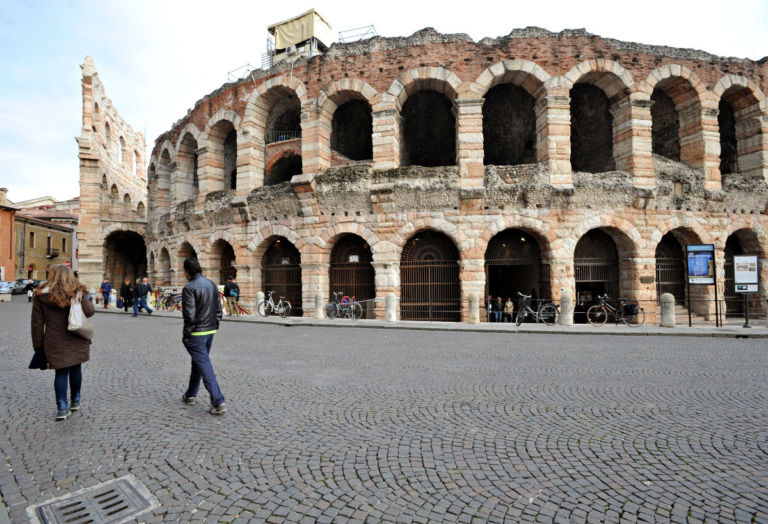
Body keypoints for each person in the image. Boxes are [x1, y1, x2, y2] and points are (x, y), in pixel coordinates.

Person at [31, 264, 95, 420]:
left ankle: (62, 408)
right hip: (77, 337)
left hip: (54, 339)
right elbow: (89, 311)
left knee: (61, 372)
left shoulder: (41, 295)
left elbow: (37, 324)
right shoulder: (78, 291)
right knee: (76, 368)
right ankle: (75, 401)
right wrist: (83, 296)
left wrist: (38, 345)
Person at [180, 258, 226, 415]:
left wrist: (187, 334)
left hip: (196, 333)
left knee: (204, 365)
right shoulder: (211, 284)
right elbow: (219, 308)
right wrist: (216, 323)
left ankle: (218, 401)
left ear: (187, 271)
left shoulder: (189, 288)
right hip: (210, 331)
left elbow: (189, 315)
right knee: (199, 362)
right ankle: (190, 394)